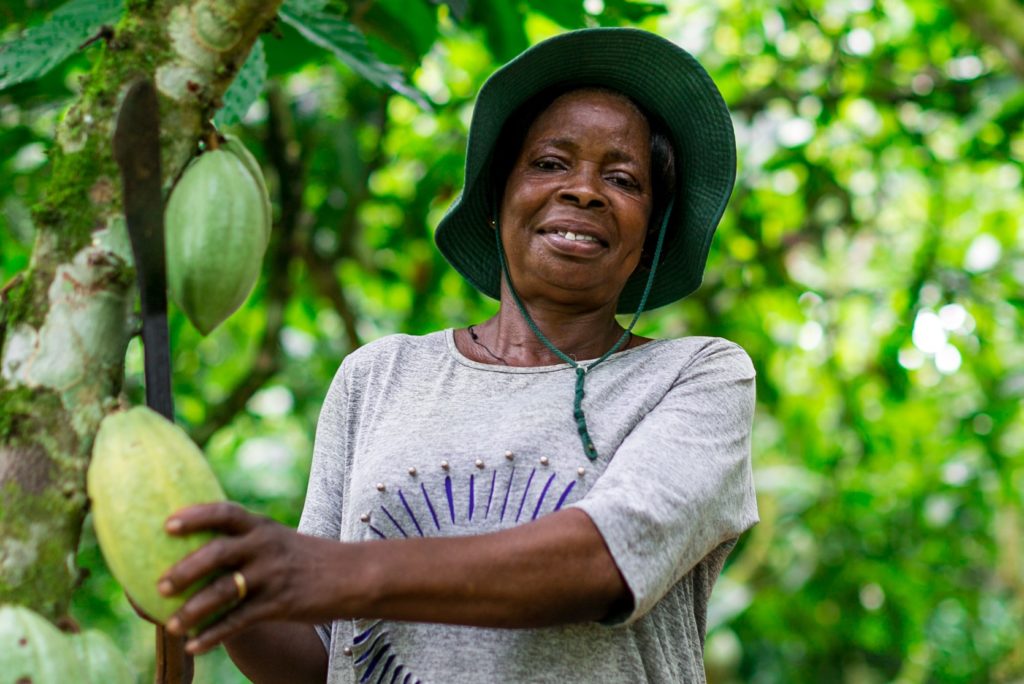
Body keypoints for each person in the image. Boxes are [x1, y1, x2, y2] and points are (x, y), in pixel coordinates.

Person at [156, 27, 758, 683]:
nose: (584, 190)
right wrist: (217, 585)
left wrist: (325, 570)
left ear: (650, 236)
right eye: (551, 164)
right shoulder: (378, 377)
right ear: (498, 198)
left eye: (622, 179)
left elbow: (601, 563)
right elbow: (324, 661)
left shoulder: (697, 377)